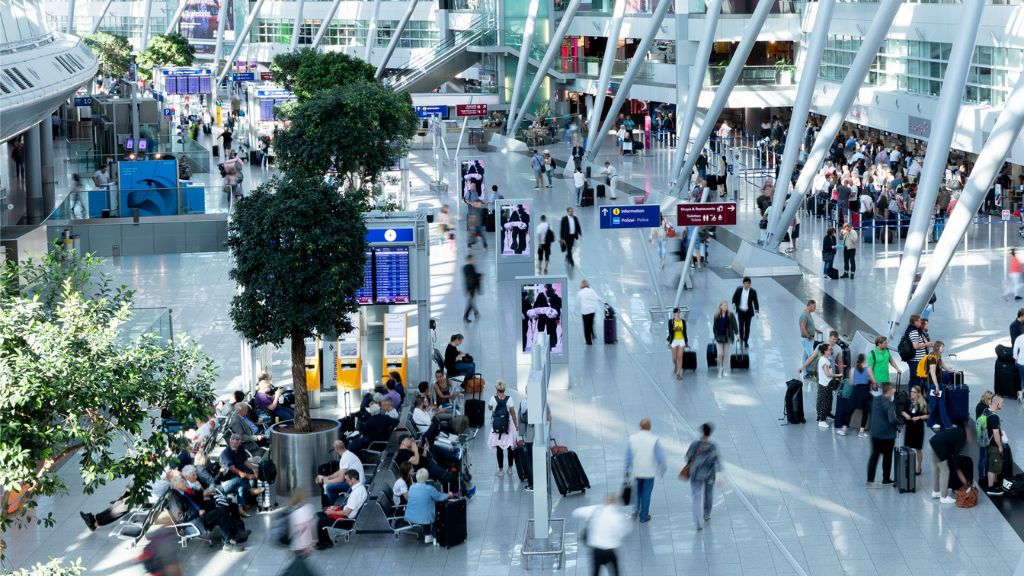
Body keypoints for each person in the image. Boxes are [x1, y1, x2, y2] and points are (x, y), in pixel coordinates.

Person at [165, 476, 246, 551]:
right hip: (194, 523)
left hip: (199, 517)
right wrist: (197, 512)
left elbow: (195, 502)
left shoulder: (182, 493)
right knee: (222, 511)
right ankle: (235, 533)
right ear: (177, 485)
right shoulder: (174, 498)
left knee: (222, 517)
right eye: (182, 482)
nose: (185, 483)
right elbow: (180, 517)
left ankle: (228, 543)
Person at [572, 494, 632, 575]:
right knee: (615, 571)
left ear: (606, 501)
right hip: (610, 551)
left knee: (595, 572)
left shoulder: (595, 509)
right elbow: (625, 530)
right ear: (616, 503)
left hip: (596, 550)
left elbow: (576, 512)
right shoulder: (616, 517)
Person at [625, 418, 667, 524]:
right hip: (649, 472)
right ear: (649, 427)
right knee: (646, 493)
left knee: (638, 491)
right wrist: (662, 469)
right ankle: (643, 516)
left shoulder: (632, 438)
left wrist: (626, 469)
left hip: (637, 471)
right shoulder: (654, 439)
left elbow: (629, 456)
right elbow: (660, 457)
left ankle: (635, 509)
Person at [314, 469, 368, 550]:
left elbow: (346, 512)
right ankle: (325, 541)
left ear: (353, 479)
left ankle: (324, 543)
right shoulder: (361, 488)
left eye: (347, 480)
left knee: (319, 520)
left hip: (345, 521)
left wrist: (332, 511)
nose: (346, 482)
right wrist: (336, 508)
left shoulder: (356, 493)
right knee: (317, 516)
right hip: (345, 515)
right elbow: (348, 508)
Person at [684, 422, 722, 530]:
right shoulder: (713, 446)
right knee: (708, 494)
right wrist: (719, 474)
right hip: (709, 474)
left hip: (696, 473)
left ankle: (697, 520)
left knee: (696, 496)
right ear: (710, 433)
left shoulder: (695, 444)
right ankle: (707, 514)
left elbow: (688, 456)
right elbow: (717, 460)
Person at [797, 343, 840, 427]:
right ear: (825, 351)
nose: (831, 351)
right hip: (825, 385)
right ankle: (822, 420)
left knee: (823, 401)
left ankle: (821, 416)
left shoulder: (825, 359)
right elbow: (827, 374)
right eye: (829, 350)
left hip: (824, 383)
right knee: (824, 402)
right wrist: (837, 375)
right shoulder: (824, 361)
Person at [865, 384, 900, 488]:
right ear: (888, 391)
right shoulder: (890, 404)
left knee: (874, 457)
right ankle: (886, 478)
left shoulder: (875, 400)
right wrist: (900, 423)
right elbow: (892, 419)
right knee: (887, 457)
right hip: (887, 436)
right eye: (892, 390)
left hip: (875, 433)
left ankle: (870, 480)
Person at [405, 468, 449, 544]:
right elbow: (440, 497)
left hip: (410, 516)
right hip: (424, 517)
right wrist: (449, 495)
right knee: (438, 511)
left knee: (424, 508)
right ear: (427, 477)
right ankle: (432, 535)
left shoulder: (411, 487)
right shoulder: (429, 489)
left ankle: (428, 533)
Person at [219, 435, 261, 513]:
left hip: (241, 471)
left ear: (239, 443)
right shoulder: (226, 453)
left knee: (254, 475)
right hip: (229, 476)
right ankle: (249, 494)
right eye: (232, 443)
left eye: (236, 443)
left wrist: (254, 469)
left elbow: (245, 461)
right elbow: (233, 469)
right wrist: (247, 476)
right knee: (243, 481)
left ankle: (246, 503)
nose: (234, 445)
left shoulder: (241, 449)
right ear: (230, 442)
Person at [315, 439, 364, 506]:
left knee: (329, 487)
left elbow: (340, 479)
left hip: (356, 485)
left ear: (336, 449)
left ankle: (335, 508)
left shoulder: (344, 458)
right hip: (358, 481)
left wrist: (326, 482)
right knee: (333, 484)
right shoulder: (348, 454)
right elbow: (340, 471)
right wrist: (328, 477)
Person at [929, 425, 970, 504]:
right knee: (945, 471)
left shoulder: (958, 429)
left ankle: (936, 491)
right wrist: (962, 477)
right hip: (939, 448)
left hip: (932, 442)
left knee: (936, 469)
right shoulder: (962, 438)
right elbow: (955, 458)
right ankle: (944, 497)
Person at [488, 380, 518, 477]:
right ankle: (510, 468)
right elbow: (513, 413)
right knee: (510, 447)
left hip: (497, 427)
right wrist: (516, 425)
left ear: (497, 389)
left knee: (499, 448)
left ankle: (500, 469)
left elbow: (489, 408)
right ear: (504, 389)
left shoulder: (493, 398)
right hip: (508, 426)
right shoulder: (510, 399)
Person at [838, 354, 872, 437]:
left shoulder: (852, 370)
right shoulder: (868, 369)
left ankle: (844, 430)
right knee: (865, 412)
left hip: (856, 393)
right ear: (865, 361)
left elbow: (851, 383)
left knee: (849, 411)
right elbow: (874, 380)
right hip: (865, 394)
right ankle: (861, 432)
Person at [923, 340, 954, 430]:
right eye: (942, 347)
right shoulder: (932, 358)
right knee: (932, 405)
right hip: (934, 386)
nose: (943, 349)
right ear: (937, 347)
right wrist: (936, 386)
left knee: (941, 404)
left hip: (939, 385)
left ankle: (947, 424)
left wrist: (953, 371)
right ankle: (930, 422)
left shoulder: (938, 357)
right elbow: (932, 373)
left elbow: (945, 367)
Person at [899, 385, 929, 474]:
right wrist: (906, 415)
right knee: (907, 447)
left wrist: (919, 417)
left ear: (918, 393)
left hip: (918, 428)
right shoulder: (908, 401)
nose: (911, 394)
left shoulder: (923, 403)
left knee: (918, 448)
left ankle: (919, 467)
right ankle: (907, 465)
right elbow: (902, 411)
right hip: (909, 427)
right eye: (911, 392)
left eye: (914, 392)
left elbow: (928, 415)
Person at [981, 395, 1006, 495]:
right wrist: (1000, 446)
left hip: (986, 442)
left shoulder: (986, 411)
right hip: (993, 445)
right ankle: (990, 488)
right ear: (997, 403)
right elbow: (996, 434)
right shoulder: (994, 417)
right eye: (1002, 403)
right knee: (993, 466)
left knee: (992, 464)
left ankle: (994, 484)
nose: (1002, 405)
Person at [711, 301, 738, 378]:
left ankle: (724, 369)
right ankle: (720, 369)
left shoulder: (730, 315)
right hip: (719, 337)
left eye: (726, 305)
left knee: (726, 354)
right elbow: (714, 327)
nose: (725, 307)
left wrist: (737, 334)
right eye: (724, 305)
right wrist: (715, 335)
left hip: (727, 337)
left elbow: (734, 325)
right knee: (720, 353)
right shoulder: (716, 315)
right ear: (720, 307)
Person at [730, 277, 759, 348]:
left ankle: (746, 340)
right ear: (743, 284)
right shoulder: (739, 289)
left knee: (747, 327)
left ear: (750, 284)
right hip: (740, 311)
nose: (746, 285)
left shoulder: (753, 291)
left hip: (748, 312)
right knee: (741, 326)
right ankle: (741, 339)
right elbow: (734, 297)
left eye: (747, 284)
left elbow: (755, 302)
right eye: (745, 284)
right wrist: (734, 303)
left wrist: (756, 311)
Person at [905, 315, 932, 390]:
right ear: (915, 322)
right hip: (916, 361)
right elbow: (915, 346)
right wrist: (926, 344)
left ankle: (915, 397)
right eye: (920, 321)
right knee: (916, 381)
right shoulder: (913, 331)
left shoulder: (914, 330)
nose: (921, 322)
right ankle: (914, 398)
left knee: (916, 380)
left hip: (918, 360)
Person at [577, 280, 603, 346]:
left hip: (584, 311)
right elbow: (597, 298)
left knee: (586, 326)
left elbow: (578, 301)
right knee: (590, 323)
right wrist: (603, 301)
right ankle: (593, 334)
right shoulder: (591, 291)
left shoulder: (580, 292)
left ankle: (588, 341)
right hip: (592, 310)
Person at [798, 300, 818, 378]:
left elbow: (810, 325)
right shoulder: (804, 315)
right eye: (814, 307)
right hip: (807, 340)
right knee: (812, 357)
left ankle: (805, 373)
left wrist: (816, 330)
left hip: (810, 339)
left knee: (805, 357)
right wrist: (808, 336)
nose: (815, 308)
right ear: (810, 306)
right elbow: (803, 327)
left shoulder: (809, 314)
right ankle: (813, 374)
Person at [667, 308, 688, 381]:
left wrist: (686, 341)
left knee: (680, 357)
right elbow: (670, 331)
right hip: (674, 340)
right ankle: (676, 365)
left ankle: (678, 373)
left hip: (681, 340)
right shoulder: (671, 321)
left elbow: (685, 332)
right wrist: (675, 329)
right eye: (676, 313)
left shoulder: (683, 321)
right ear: (674, 314)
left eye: (679, 312)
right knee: (674, 358)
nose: (678, 314)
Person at [462, 254, 482, 323]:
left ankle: (476, 312)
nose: (473, 260)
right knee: (470, 302)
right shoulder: (471, 267)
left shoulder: (464, 267)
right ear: (469, 259)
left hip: (468, 286)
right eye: (472, 259)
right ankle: (466, 316)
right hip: (472, 286)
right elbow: (473, 275)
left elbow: (468, 276)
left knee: (471, 300)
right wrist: (480, 275)